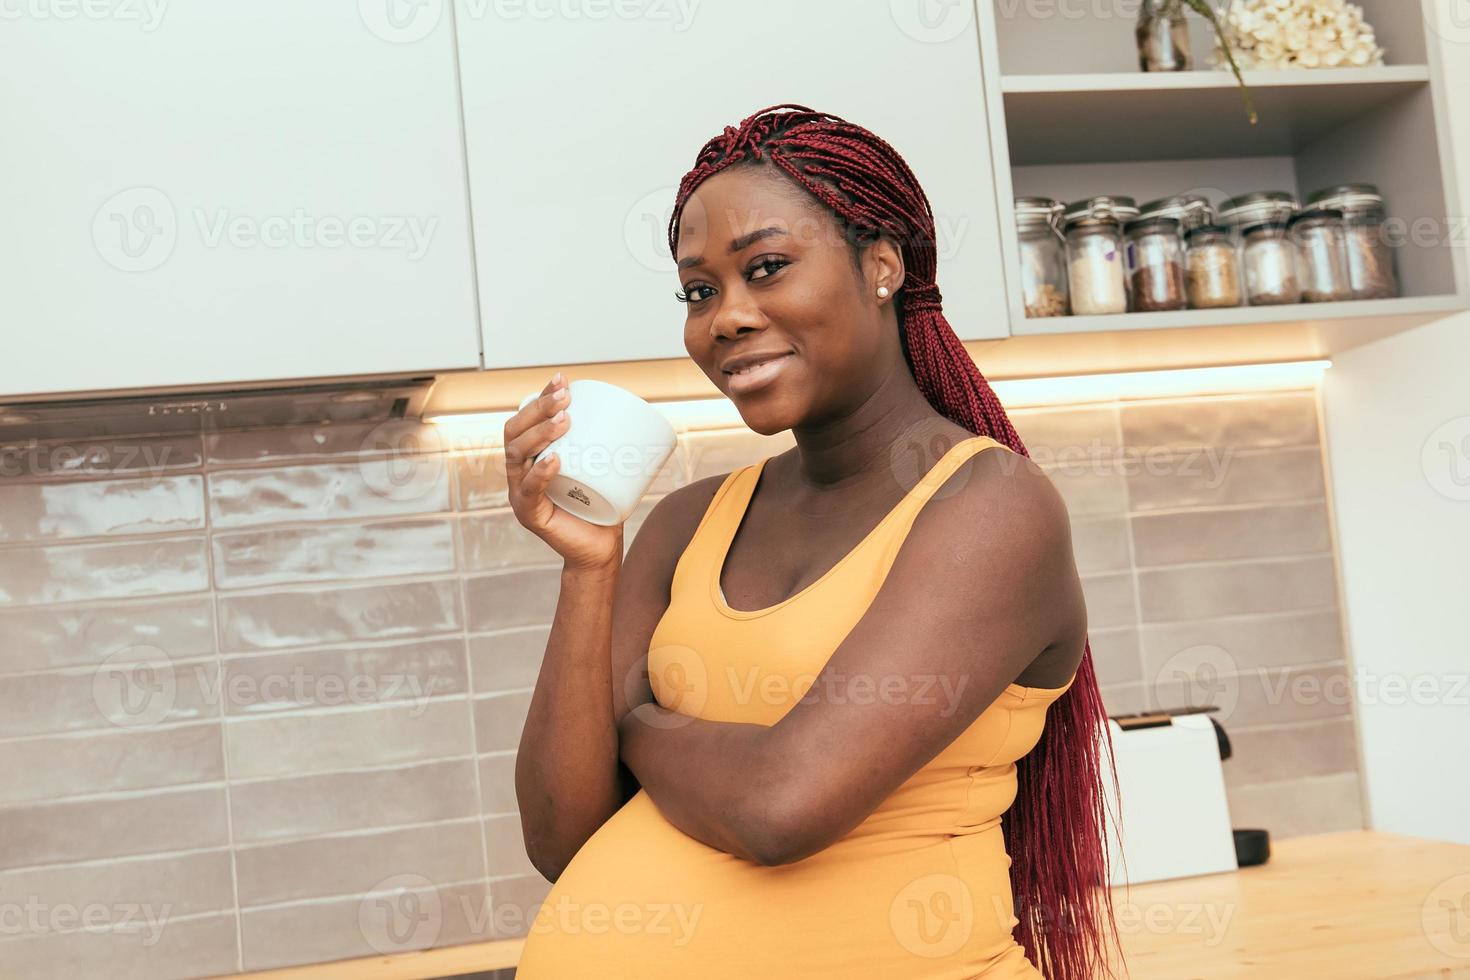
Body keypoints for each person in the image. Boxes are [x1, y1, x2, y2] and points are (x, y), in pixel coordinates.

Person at [502, 104, 1122, 979]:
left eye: (767, 268)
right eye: (699, 290)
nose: (726, 318)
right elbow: (561, 834)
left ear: (880, 267)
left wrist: (637, 730)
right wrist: (590, 565)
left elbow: (780, 807)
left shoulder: (990, 508)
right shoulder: (688, 522)